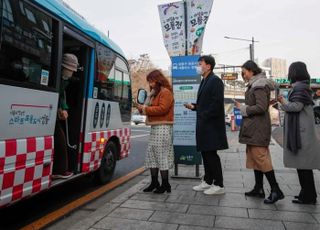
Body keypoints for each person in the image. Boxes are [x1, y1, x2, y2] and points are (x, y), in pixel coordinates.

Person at [235, 60, 284, 204]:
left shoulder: (259, 85)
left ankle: (276, 190)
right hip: (254, 127)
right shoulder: (257, 84)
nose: (243, 75)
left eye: (244, 72)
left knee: (261, 158)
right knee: (255, 158)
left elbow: (261, 107)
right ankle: (259, 188)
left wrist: (243, 108)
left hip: (257, 128)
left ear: (251, 70)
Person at [185, 55, 228, 195]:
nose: (198, 66)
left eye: (200, 63)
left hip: (211, 126)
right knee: (205, 153)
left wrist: (202, 114)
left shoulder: (215, 81)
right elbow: (205, 104)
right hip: (204, 125)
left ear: (208, 66)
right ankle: (208, 181)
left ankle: (219, 184)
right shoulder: (205, 81)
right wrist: (194, 107)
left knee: (211, 155)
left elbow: (216, 105)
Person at [278, 62, 320, 204]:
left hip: (301, 133)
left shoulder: (300, 88)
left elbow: (296, 107)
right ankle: (306, 194)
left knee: (304, 167)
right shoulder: (302, 87)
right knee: (303, 166)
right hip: (301, 132)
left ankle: (309, 196)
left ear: (294, 72)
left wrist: (282, 101)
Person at [137, 69, 174, 194]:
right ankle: (154, 182)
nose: (150, 84)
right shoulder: (155, 93)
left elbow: (162, 109)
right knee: (152, 155)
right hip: (155, 127)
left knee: (161, 156)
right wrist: (145, 103)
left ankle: (165, 184)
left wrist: (146, 109)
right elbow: (148, 107)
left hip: (163, 127)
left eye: (152, 81)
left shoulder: (166, 92)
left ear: (158, 80)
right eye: (149, 82)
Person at [52, 53, 79, 179]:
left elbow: (61, 95)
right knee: (60, 139)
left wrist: (64, 108)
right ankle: (59, 170)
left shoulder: (63, 80)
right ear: (63, 67)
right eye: (70, 70)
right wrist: (59, 108)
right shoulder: (55, 77)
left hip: (54, 113)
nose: (71, 73)